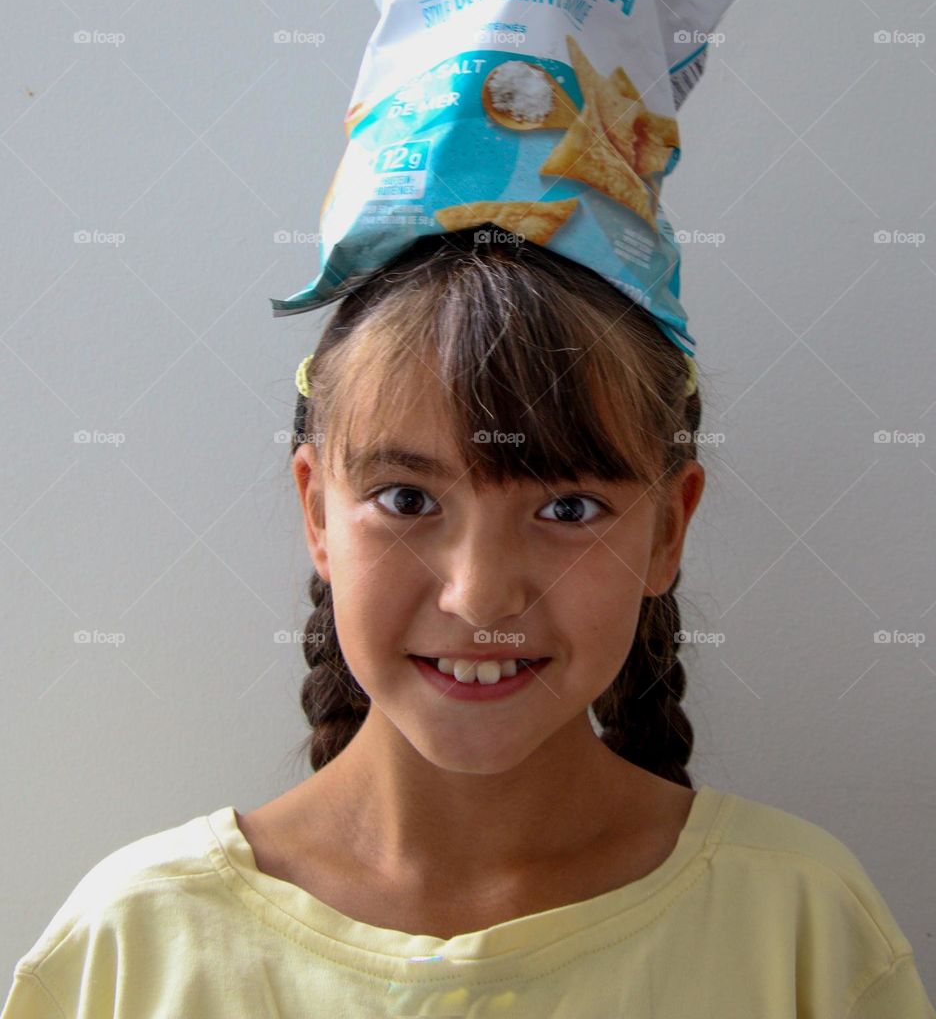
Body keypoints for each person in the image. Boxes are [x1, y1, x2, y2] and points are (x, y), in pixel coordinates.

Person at [3, 229, 933, 1017]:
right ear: (318, 513)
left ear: (668, 528)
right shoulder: (133, 950)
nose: (481, 599)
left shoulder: (800, 927)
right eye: (407, 497)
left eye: (568, 508)